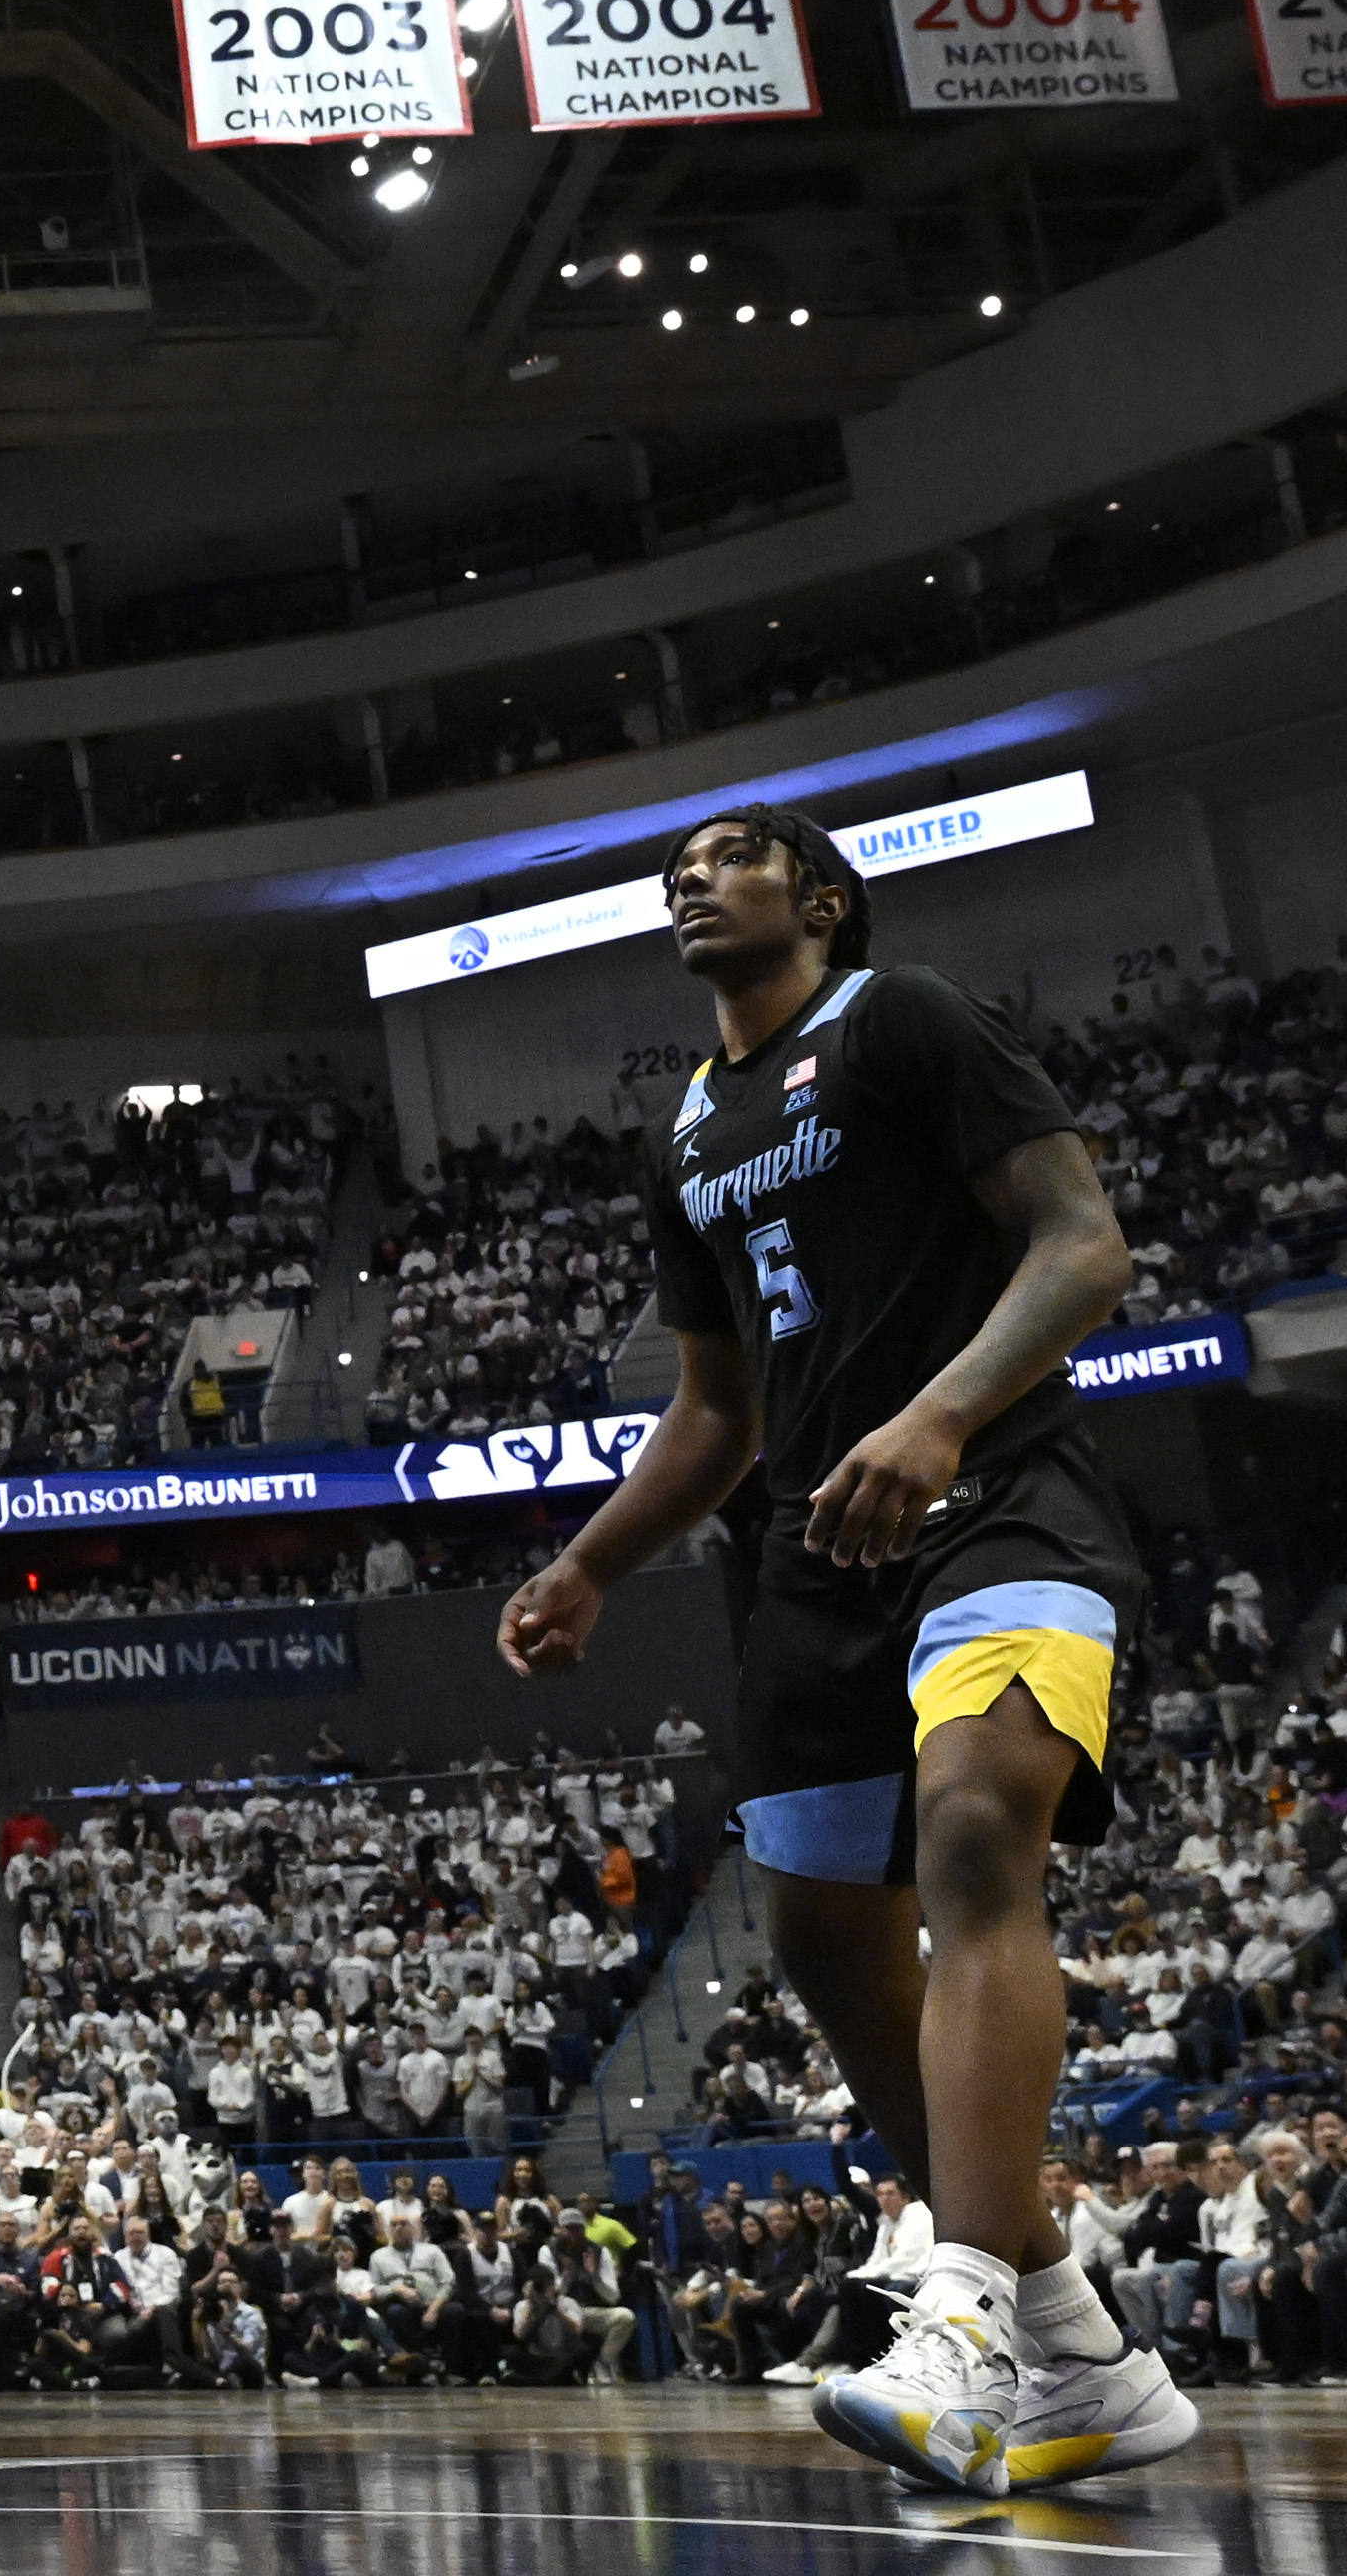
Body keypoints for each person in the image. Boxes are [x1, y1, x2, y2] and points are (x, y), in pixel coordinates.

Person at [496, 806, 1189, 2497]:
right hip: (810, 1555)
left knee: (970, 1834)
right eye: (671, 863)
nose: (686, 876)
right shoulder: (682, 1128)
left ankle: (958, 2318)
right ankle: (1074, 2342)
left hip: (1004, 1495)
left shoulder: (905, 1016)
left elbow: (1086, 1244)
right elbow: (717, 1408)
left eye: (729, 856)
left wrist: (945, 1416)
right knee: (820, 1938)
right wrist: (588, 1562)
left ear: (816, 898)